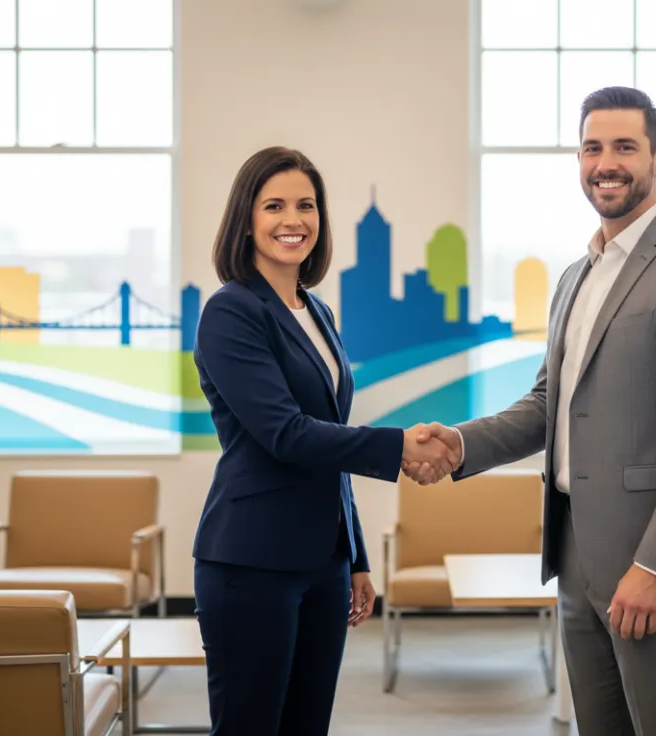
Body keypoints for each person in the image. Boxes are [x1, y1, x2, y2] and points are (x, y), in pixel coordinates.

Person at [409, 87, 656, 736]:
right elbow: (547, 407)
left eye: (624, 147)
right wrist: (460, 443)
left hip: (654, 566)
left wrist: (654, 567)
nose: (605, 162)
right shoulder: (574, 278)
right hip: (577, 555)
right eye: (592, 147)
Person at [191, 146, 457, 735]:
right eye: (275, 205)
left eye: (307, 205)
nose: (294, 220)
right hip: (251, 562)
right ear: (247, 218)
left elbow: (328, 440)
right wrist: (398, 446)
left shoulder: (316, 311)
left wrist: (355, 555)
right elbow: (285, 434)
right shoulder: (231, 311)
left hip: (323, 564)